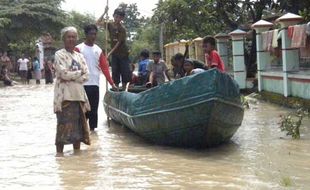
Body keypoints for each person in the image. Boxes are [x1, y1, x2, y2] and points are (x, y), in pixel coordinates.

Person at [53, 26, 91, 154]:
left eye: (73, 37)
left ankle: (77, 156)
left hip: (79, 96)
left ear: (76, 39)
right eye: (68, 37)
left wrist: (73, 75)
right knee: (63, 129)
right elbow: (63, 73)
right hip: (65, 97)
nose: (71, 39)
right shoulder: (59, 54)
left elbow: (87, 75)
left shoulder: (80, 56)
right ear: (64, 39)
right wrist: (78, 74)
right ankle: (59, 157)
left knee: (78, 132)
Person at [75, 24, 117, 131]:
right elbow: (74, 66)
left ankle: (93, 134)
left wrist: (112, 83)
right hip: (82, 85)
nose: (93, 36)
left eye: (95, 34)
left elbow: (105, 68)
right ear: (86, 35)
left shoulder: (98, 50)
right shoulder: (79, 48)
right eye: (91, 34)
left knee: (94, 111)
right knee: (82, 111)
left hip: (95, 84)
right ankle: (82, 132)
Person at [97, 8, 131, 90]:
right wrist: (104, 12)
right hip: (115, 55)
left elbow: (118, 43)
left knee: (124, 73)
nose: (117, 19)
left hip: (123, 54)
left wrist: (109, 53)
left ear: (122, 18)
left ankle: (123, 90)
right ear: (113, 16)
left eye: (120, 17)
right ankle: (116, 90)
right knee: (115, 72)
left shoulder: (122, 29)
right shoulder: (110, 25)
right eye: (116, 16)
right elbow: (97, 23)